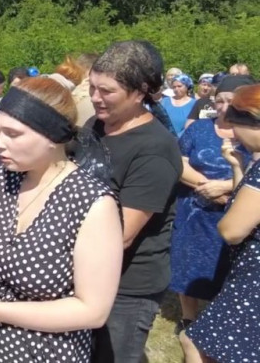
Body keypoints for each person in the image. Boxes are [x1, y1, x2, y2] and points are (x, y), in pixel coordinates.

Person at [0, 78, 123, 362]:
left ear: (53, 137)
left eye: (13, 134)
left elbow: (92, 311)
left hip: (44, 352)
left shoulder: (93, 203)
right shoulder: (1, 179)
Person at [88, 40, 183, 363]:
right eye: (92, 87)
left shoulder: (155, 149)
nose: (95, 98)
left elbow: (122, 234)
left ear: (140, 92)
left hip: (127, 287)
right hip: (86, 272)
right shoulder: (96, 127)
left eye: (107, 91)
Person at [169, 75, 255, 359]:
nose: (223, 109)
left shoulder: (254, 149)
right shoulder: (199, 130)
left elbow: (234, 226)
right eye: (219, 102)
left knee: (226, 274)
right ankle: (190, 317)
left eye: (231, 104)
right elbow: (179, 163)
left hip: (239, 222)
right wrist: (207, 185)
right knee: (188, 266)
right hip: (197, 212)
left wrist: (227, 187)